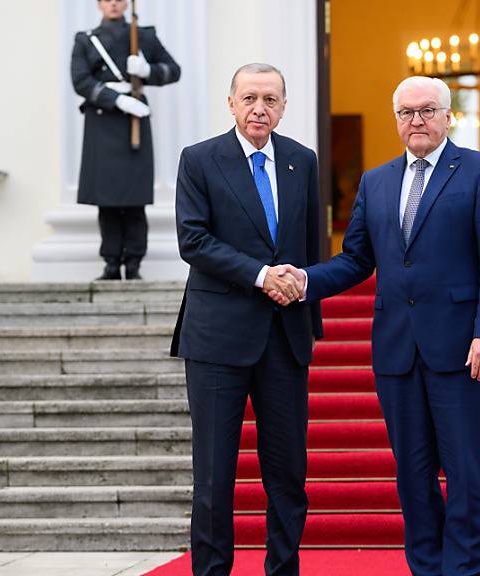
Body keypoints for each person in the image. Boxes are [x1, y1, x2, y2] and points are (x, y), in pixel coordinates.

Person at [274, 76, 480, 576]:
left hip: (462, 350)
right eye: (406, 112)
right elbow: (357, 259)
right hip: (397, 352)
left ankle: (465, 570)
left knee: (467, 473)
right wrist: (305, 281)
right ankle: (426, 568)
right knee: (413, 475)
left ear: (448, 116)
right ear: (396, 120)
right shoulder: (376, 181)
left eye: (427, 110)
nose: (416, 120)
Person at [169, 63, 323, 576]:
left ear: (284, 107)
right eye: (250, 98)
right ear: (231, 103)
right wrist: (261, 276)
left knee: (289, 473)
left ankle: (283, 569)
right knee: (214, 476)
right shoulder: (199, 159)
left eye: (271, 99)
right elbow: (193, 240)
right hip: (217, 338)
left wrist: (308, 312)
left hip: (285, 336)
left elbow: (310, 245)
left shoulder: (302, 160)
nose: (260, 108)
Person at [71, 0, 180, 281]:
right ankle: (110, 263)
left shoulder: (143, 36)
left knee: (134, 197)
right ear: (99, 4)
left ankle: (133, 264)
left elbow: (173, 70)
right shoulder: (86, 40)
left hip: (135, 120)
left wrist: (147, 71)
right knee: (106, 198)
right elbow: (80, 81)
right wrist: (116, 99)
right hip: (103, 122)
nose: (114, 4)